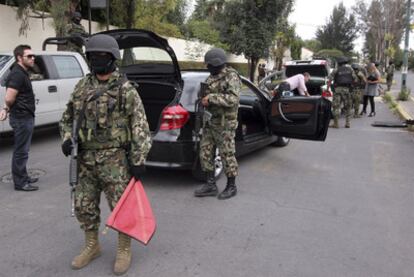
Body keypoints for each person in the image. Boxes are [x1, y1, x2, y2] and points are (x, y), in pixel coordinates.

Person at [59, 34, 152, 275]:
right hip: (85, 159)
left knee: (122, 207)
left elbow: (140, 126)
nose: (97, 60)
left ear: (113, 59)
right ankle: (92, 245)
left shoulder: (125, 90)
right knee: (84, 205)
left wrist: (139, 159)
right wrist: (67, 138)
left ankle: (123, 249)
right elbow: (67, 117)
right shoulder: (82, 86)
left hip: (115, 160)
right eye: (93, 56)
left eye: (102, 56)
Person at [194, 48, 241, 200]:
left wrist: (211, 98)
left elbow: (233, 99)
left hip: (225, 124)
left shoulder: (231, 76)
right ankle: (210, 184)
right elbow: (206, 94)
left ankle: (231, 186)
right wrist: (202, 97)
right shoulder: (211, 76)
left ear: (216, 63)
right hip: (210, 122)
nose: (207, 67)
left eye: (209, 64)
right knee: (205, 152)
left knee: (227, 154)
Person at [0, 45, 39, 191]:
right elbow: (9, 97)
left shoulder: (22, 72)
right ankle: (20, 182)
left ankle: (23, 176)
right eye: (29, 56)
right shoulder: (17, 74)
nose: (32, 58)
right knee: (21, 151)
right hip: (21, 117)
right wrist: (6, 108)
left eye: (33, 55)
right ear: (19, 58)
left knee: (23, 150)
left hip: (25, 116)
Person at [328, 56, 358, 128]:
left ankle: (336, 123)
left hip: (337, 90)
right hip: (347, 90)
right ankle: (347, 123)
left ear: (338, 63)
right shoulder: (350, 69)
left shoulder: (336, 70)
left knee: (336, 107)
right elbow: (355, 79)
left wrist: (327, 88)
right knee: (348, 107)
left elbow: (330, 79)